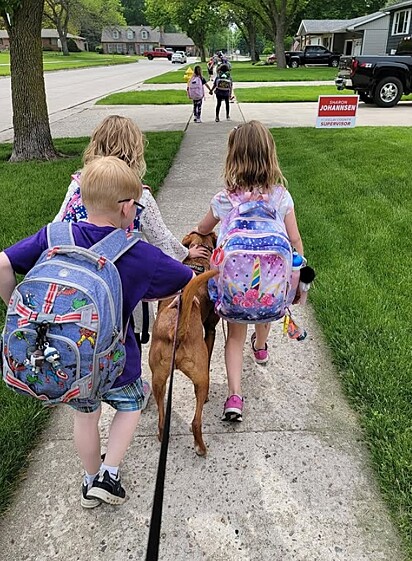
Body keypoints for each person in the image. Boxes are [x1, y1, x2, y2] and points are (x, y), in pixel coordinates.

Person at [0, 156, 194, 508]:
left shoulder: (53, 235)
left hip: (71, 362)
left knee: (85, 416)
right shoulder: (139, 253)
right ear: (124, 209)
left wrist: (19, 309)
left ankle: (89, 481)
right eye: (135, 206)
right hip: (118, 361)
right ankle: (110, 473)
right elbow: (184, 280)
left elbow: (2, 263)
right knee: (131, 406)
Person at [54, 115, 209, 352]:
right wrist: (186, 253)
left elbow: (59, 225)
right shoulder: (139, 197)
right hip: (119, 287)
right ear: (134, 152)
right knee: (122, 342)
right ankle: (126, 385)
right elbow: (162, 240)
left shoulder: (78, 185)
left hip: (76, 282)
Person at [196, 121, 304, 422]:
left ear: (233, 157)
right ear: (270, 155)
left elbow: (203, 229)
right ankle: (261, 347)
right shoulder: (280, 196)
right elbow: (294, 240)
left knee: (234, 337)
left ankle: (234, 396)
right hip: (269, 290)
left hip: (236, 291)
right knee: (265, 309)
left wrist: (196, 233)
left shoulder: (224, 199)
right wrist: (298, 268)